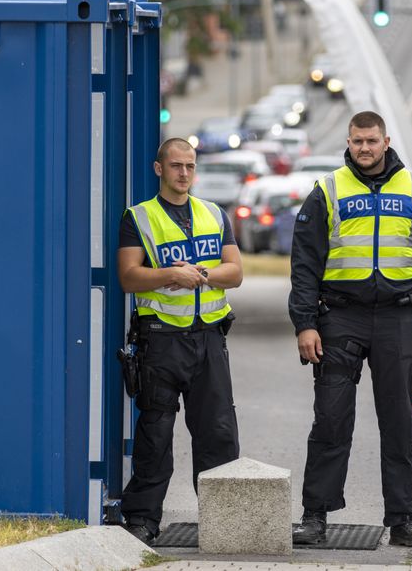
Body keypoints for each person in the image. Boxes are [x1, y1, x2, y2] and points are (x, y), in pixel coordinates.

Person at [288, 111, 412, 547]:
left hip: (399, 319)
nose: (364, 148)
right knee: (331, 419)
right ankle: (315, 516)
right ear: (349, 141)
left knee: (399, 424)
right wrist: (305, 324)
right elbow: (304, 265)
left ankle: (404, 519)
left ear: (386, 141)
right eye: (358, 141)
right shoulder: (328, 190)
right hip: (340, 317)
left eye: (372, 141)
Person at [117, 138, 243, 544]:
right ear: (159, 169)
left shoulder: (214, 213)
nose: (184, 173)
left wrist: (201, 274)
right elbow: (128, 277)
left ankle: (223, 521)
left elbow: (235, 272)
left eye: (189, 166)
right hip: (161, 341)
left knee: (218, 433)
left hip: (208, 339)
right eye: (176, 166)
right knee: (156, 433)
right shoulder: (138, 218)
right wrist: (171, 275)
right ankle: (142, 519)